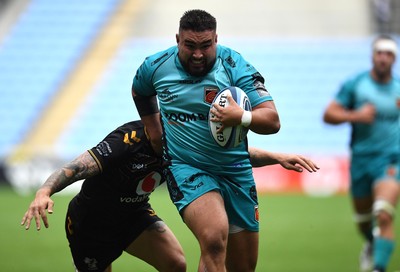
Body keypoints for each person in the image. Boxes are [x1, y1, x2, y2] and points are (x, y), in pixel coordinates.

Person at [21, 120, 319, 272]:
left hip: (135, 215)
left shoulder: (182, 141)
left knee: (176, 263)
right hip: (92, 222)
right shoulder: (127, 139)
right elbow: (77, 167)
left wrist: (278, 157)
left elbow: (237, 154)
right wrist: (45, 191)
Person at [131, 9, 282, 272]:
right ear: (178, 39)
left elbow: (272, 121)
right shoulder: (156, 66)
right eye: (190, 46)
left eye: (205, 45)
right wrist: (153, 128)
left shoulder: (235, 65)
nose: (198, 54)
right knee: (213, 238)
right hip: (187, 168)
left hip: (235, 172)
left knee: (243, 267)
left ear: (216, 40)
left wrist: (241, 116)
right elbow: (139, 90)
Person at [323, 35, 400, 272]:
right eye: (380, 53)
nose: (384, 58)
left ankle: (379, 267)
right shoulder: (356, 84)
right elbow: (329, 114)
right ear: (372, 56)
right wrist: (355, 115)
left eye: (389, 54)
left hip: (390, 160)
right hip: (361, 161)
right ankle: (371, 240)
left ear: (394, 59)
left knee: (384, 214)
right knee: (364, 222)